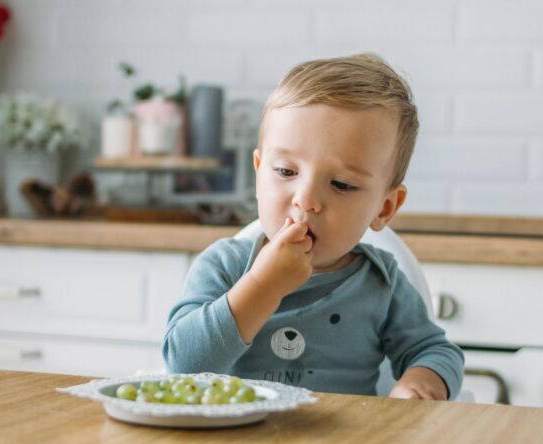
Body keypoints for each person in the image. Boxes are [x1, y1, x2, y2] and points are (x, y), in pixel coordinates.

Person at [163, 53, 464, 400]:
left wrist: (421, 383)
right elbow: (183, 363)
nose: (305, 200)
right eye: (286, 172)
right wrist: (263, 285)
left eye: (342, 184)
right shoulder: (224, 266)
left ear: (384, 208)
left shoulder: (382, 283)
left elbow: (436, 351)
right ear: (260, 173)